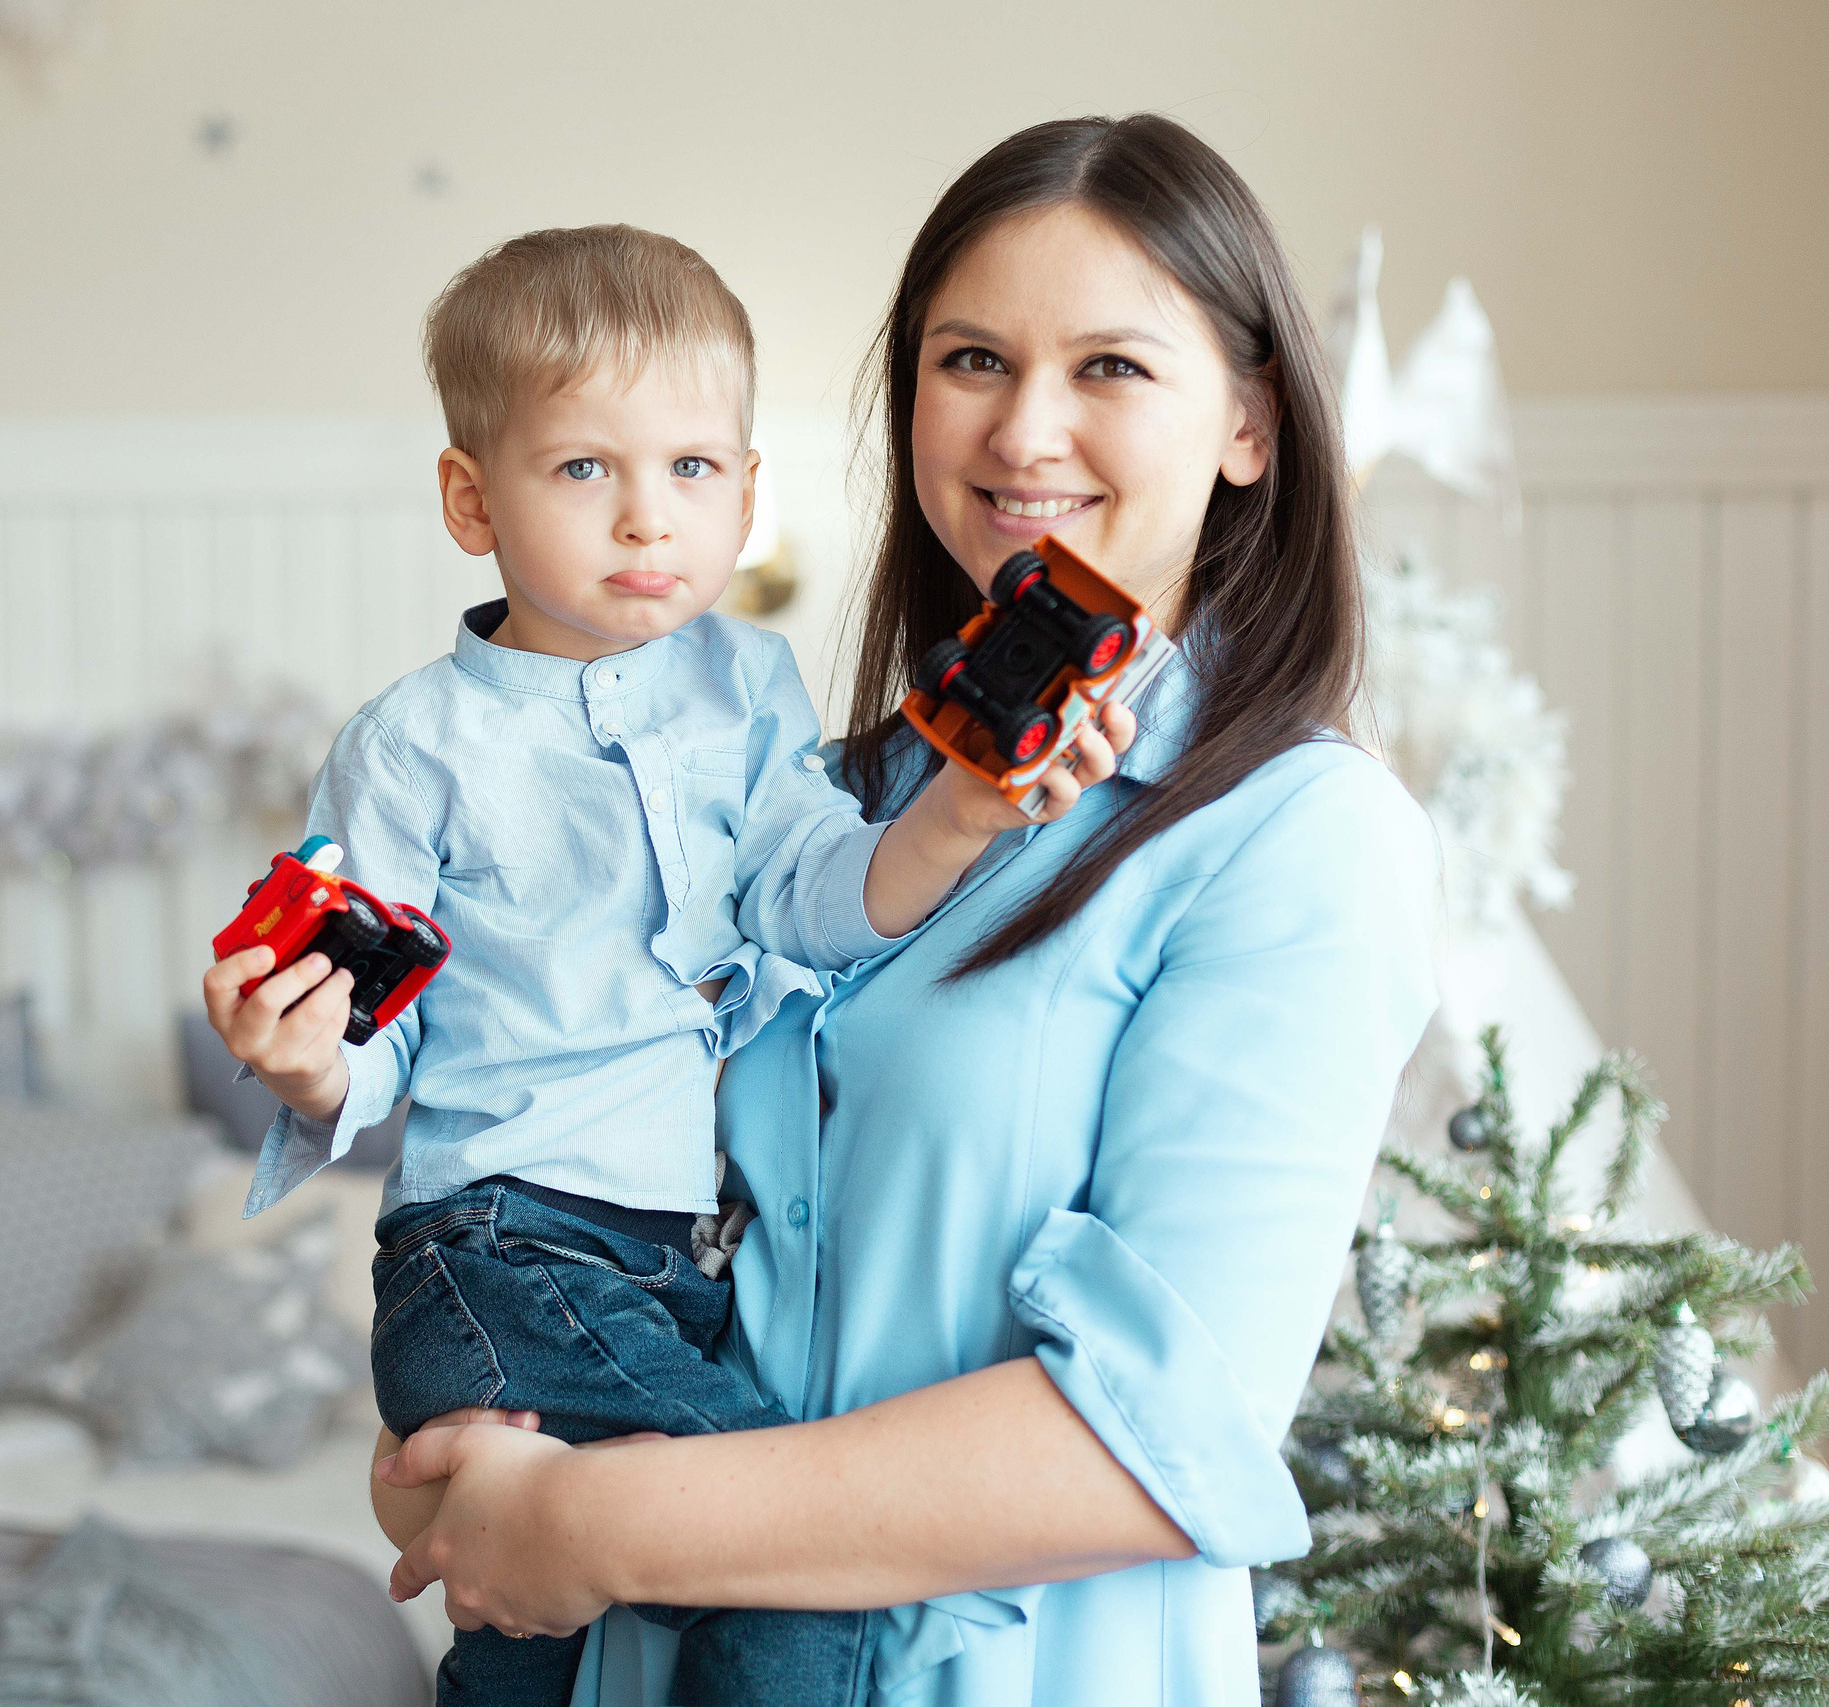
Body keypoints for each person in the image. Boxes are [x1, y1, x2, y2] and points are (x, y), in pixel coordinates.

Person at [369, 116, 1443, 1705]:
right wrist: (466, 1450)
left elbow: (1149, 1443)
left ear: (1250, 425)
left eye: (1112, 369)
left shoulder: (1298, 839)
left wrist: (590, 1517)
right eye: (972, 360)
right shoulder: (834, 805)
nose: (1025, 431)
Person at [201, 224, 1132, 1707]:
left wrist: (962, 809)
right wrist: (312, 1057)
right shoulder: (415, 746)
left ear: (749, 493)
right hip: (497, 1248)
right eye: (586, 471)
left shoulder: (750, 691)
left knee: (523, 1650)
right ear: (470, 496)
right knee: (778, 1567)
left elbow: (821, 901)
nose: (649, 522)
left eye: (694, 471)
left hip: (668, 1271)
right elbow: (373, 1029)